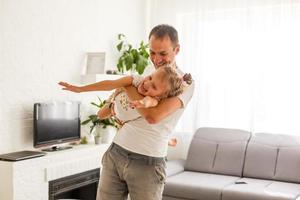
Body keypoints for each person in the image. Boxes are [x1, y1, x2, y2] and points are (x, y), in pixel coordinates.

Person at [62, 24, 194, 200]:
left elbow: (153, 116)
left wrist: (127, 86)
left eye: (163, 53)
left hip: (147, 163)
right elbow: (117, 99)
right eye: (152, 52)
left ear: (177, 49)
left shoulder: (183, 84)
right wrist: (83, 90)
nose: (156, 59)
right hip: (117, 152)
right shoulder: (148, 73)